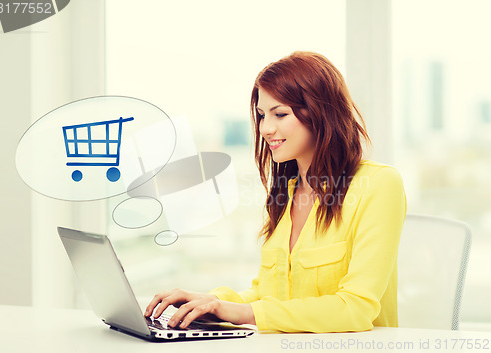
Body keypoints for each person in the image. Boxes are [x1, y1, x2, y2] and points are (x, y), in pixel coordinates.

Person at [145, 51, 407, 333]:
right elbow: (268, 296)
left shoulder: (379, 184)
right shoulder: (287, 193)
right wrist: (211, 302)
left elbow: (356, 308)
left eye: (280, 114)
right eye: (261, 115)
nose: (266, 128)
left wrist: (240, 312)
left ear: (321, 112)